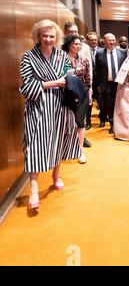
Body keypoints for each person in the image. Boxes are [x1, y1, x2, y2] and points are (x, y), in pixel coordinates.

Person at [19, 19, 81, 210]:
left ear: (57, 37)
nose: (48, 39)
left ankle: (56, 175)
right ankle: (35, 188)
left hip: (60, 106)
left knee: (59, 140)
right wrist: (54, 83)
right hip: (38, 108)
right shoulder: (28, 57)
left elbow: (69, 77)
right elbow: (26, 86)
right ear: (38, 36)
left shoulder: (62, 56)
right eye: (44, 35)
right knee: (35, 145)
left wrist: (71, 78)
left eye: (51, 36)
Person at [62, 34, 92, 164]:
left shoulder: (84, 60)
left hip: (82, 92)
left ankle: (80, 151)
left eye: (80, 44)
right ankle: (65, 149)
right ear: (69, 44)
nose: (78, 46)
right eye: (76, 44)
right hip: (66, 93)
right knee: (67, 121)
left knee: (80, 121)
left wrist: (90, 93)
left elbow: (87, 79)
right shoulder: (60, 59)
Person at [95, 33, 127, 134]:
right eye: (109, 40)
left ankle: (121, 125)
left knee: (121, 105)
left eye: (113, 40)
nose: (112, 42)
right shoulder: (99, 53)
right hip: (107, 85)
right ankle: (113, 125)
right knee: (110, 106)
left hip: (120, 84)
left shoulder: (123, 52)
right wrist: (99, 85)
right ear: (104, 41)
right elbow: (97, 70)